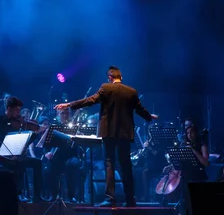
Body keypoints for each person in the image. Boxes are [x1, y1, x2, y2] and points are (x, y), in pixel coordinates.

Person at [55, 65, 157, 207]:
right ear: (121, 77)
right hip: (125, 134)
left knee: (109, 163)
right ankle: (130, 199)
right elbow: (139, 109)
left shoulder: (106, 88)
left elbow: (90, 100)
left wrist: (68, 105)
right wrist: (149, 117)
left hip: (108, 132)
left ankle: (110, 198)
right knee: (126, 165)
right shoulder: (131, 92)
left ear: (110, 77)